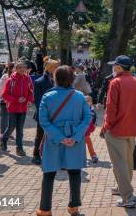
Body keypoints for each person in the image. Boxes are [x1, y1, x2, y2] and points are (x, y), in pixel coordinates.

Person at [36, 65, 91, 216]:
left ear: (55, 79)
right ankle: (74, 207)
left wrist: (59, 137)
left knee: (49, 173)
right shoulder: (79, 96)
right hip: (75, 139)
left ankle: (45, 209)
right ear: (72, 79)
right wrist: (76, 136)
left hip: (54, 139)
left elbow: (43, 121)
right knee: (74, 172)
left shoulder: (47, 96)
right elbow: (87, 117)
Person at [101, 55, 136, 208]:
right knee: (127, 161)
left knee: (119, 162)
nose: (113, 68)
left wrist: (106, 126)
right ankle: (122, 188)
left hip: (116, 129)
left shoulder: (116, 82)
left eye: (114, 66)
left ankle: (127, 196)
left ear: (119, 67)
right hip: (133, 128)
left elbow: (111, 109)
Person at [0, 61, 34, 156]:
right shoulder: (10, 80)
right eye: (20, 68)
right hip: (12, 108)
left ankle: (19, 148)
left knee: (20, 129)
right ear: (16, 69)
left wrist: (30, 101)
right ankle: (4, 139)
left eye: (24, 67)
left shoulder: (28, 79)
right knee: (11, 127)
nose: (22, 69)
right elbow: (4, 95)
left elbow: (31, 92)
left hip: (23, 109)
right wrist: (17, 100)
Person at [32, 58, 60, 164]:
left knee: (54, 135)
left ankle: (52, 155)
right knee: (40, 135)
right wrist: (46, 112)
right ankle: (36, 155)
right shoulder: (39, 82)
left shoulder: (58, 81)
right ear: (50, 68)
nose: (57, 68)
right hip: (43, 114)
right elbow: (38, 101)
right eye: (56, 67)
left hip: (56, 113)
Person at [0, 62, 14, 138]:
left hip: (14, 101)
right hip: (5, 101)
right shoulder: (5, 76)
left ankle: (9, 132)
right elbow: (0, 88)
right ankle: (3, 133)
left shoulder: (20, 77)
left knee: (12, 118)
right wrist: (2, 98)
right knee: (4, 117)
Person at [84, 95, 98, 164]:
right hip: (81, 131)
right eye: (85, 101)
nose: (86, 102)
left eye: (88, 101)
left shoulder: (92, 111)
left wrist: (93, 127)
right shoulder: (81, 109)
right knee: (81, 146)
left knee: (89, 144)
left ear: (91, 102)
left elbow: (94, 120)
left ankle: (93, 155)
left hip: (87, 131)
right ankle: (82, 157)